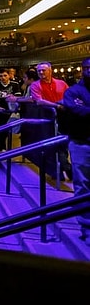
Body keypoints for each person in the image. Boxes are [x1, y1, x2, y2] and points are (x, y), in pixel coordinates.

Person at [60, 57, 90, 244]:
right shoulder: (73, 91)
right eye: (88, 68)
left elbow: (83, 111)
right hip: (81, 144)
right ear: (82, 69)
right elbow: (75, 111)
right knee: (83, 187)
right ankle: (87, 228)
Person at [0, 68, 21, 153]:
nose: (3, 78)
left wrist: (15, 107)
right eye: (1, 76)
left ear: (9, 75)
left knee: (6, 129)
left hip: (9, 110)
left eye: (5, 75)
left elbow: (18, 97)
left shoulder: (15, 84)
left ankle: (0, 146)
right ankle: (1, 145)